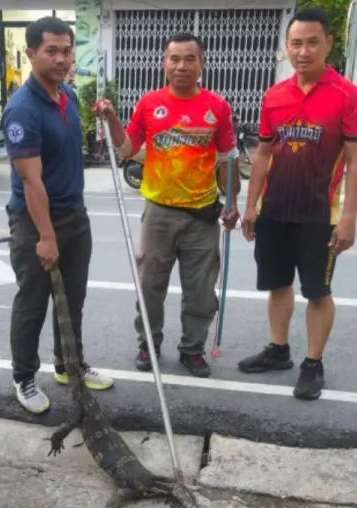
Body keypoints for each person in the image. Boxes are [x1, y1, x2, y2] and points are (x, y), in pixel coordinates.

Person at [238, 7, 357, 400]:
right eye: (296, 43)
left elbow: (355, 162)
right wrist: (251, 206)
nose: (304, 51)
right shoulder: (275, 96)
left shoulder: (349, 97)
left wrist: (348, 217)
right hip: (275, 209)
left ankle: (313, 363)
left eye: (313, 42)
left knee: (317, 290)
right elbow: (261, 155)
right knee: (278, 284)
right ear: (287, 47)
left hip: (320, 214)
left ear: (328, 43)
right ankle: (278, 350)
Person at [93, 33, 240, 378]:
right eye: (174, 58)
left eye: (190, 59)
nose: (181, 66)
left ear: (201, 64)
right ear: (164, 63)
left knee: (202, 292)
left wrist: (231, 202)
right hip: (158, 212)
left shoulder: (217, 107)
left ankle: (192, 349)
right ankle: (149, 342)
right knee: (150, 286)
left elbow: (226, 160)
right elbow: (128, 149)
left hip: (202, 215)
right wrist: (112, 117)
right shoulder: (149, 103)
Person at [2, 16, 113, 414]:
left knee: (73, 300)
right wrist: (45, 237)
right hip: (36, 222)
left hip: (73, 216)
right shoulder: (22, 110)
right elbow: (31, 183)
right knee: (33, 302)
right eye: (51, 51)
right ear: (31, 54)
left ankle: (69, 365)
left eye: (67, 50)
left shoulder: (67, 96)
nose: (62, 59)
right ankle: (24, 377)